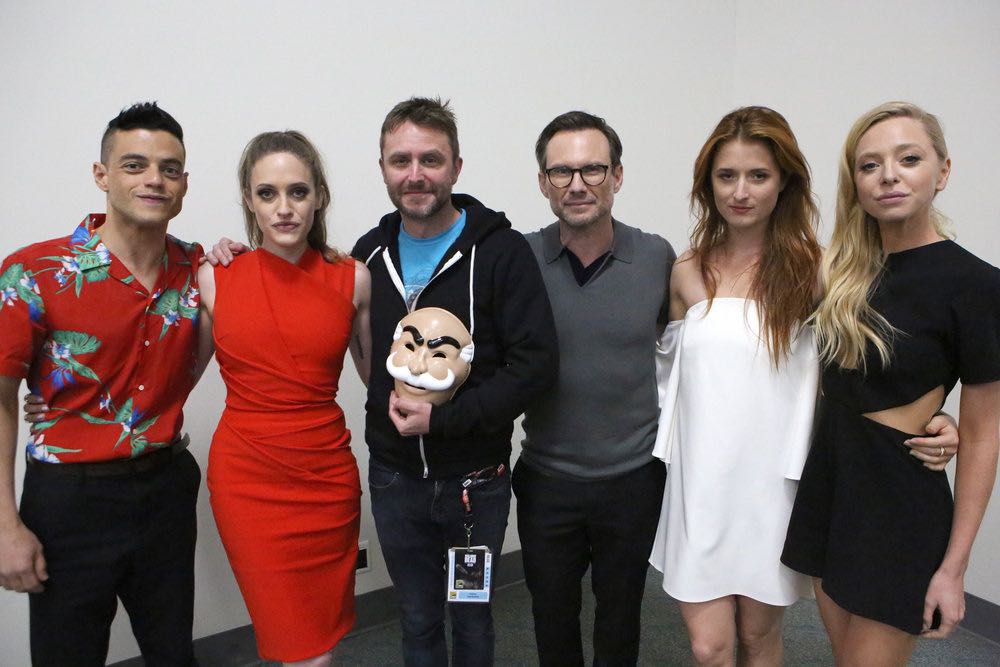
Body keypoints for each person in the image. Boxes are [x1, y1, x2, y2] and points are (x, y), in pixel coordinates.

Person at [781, 102, 1000, 666]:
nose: (889, 176)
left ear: (942, 172)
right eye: (869, 165)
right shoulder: (840, 272)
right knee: (842, 653)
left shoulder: (977, 285)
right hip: (832, 482)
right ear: (855, 182)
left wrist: (953, 569)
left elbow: (983, 436)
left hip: (898, 502)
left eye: (909, 159)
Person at [350, 96, 558, 666]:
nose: (415, 175)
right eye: (401, 160)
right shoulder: (367, 255)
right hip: (395, 480)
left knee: (471, 617)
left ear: (457, 168)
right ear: (384, 168)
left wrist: (444, 419)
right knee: (415, 619)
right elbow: (362, 348)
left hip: (475, 485)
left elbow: (534, 366)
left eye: (431, 160)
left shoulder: (501, 253)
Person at [0, 102, 203, 666]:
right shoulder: (35, 272)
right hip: (70, 500)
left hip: (165, 489)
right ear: (102, 175)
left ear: (184, 183)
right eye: (134, 164)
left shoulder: (198, 271)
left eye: (169, 168)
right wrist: (4, 525)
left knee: (171, 653)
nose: (153, 180)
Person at [196, 131, 371, 666]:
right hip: (248, 480)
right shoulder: (214, 276)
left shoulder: (354, 279)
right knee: (294, 643)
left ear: (319, 195)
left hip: (325, 478)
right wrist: (72, 401)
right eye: (267, 193)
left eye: (297, 191)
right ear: (249, 200)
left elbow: (382, 380)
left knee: (319, 640)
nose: (284, 208)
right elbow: (170, 376)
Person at [515, 110, 673, 666]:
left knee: (621, 612)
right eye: (561, 172)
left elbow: (688, 351)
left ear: (618, 176)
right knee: (551, 614)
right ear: (543, 184)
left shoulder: (657, 258)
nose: (578, 184)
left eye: (592, 169)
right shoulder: (519, 258)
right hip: (547, 478)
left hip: (632, 478)